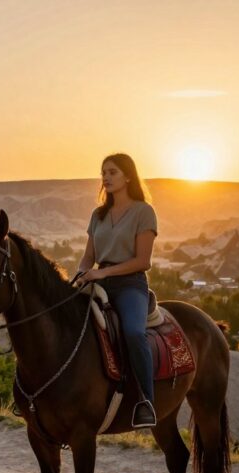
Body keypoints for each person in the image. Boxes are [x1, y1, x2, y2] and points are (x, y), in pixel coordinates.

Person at [73, 153, 158, 428]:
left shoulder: (143, 211)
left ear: (128, 176)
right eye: (103, 173)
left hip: (129, 283)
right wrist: (81, 275)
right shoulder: (98, 215)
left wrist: (103, 272)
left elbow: (142, 261)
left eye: (113, 172)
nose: (106, 177)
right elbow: (89, 256)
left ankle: (146, 401)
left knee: (133, 332)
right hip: (97, 281)